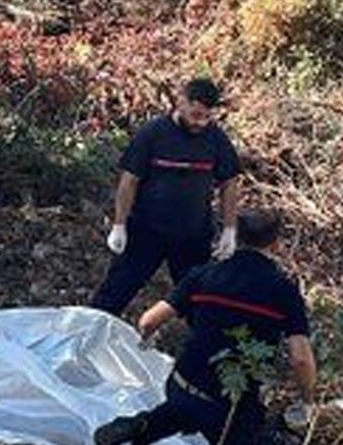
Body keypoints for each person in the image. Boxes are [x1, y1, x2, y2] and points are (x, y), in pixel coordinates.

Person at [93, 209, 317, 445]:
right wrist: (308, 399)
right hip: (232, 401)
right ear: (276, 244)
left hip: (184, 384)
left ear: (235, 237)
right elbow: (301, 357)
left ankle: (140, 425)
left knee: (185, 407)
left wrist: (146, 340)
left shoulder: (205, 275)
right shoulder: (282, 290)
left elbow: (148, 320)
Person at [90, 78, 242, 317]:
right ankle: (84, 340)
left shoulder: (216, 139)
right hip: (146, 231)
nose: (199, 123)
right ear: (181, 102)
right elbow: (129, 180)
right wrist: (119, 224)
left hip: (193, 236)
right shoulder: (153, 133)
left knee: (199, 304)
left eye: (206, 117)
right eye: (195, 115)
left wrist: (230, 230)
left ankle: (207, 353)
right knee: (113, 294)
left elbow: (229, 183)